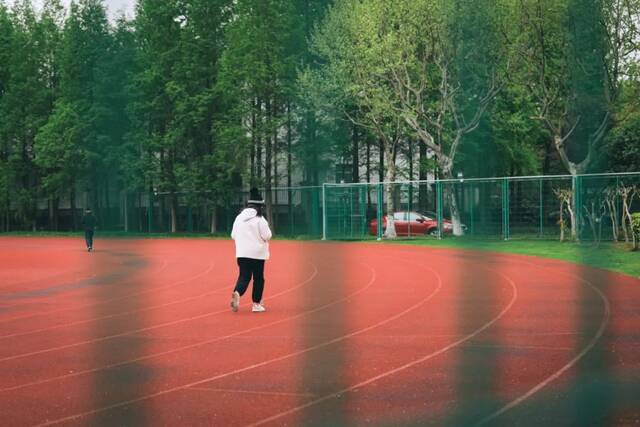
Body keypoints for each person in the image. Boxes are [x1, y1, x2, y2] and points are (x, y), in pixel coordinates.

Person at [230, 188, 272, 313]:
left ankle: (237, 292)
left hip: (242, 253)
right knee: (258, 278)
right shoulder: (260, 219)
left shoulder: (238, 218)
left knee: (244, 276)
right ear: (260, 206)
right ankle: (256, 304)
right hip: (257, 255)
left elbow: (233, 235)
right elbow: (267, 236)